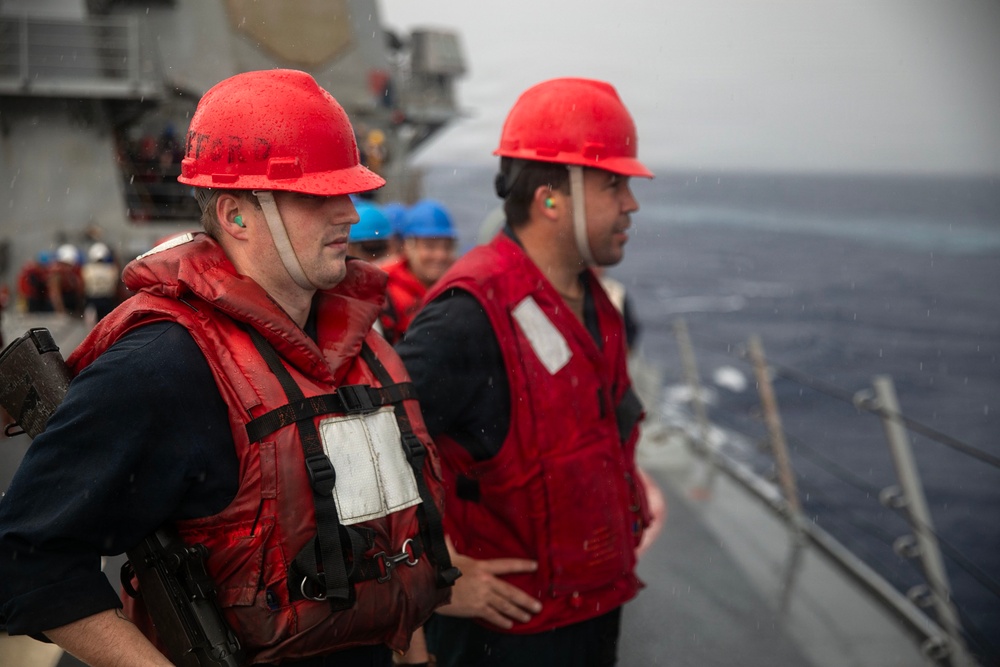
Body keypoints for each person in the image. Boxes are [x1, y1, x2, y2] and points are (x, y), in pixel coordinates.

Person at [0, 69, 456, 667]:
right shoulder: (164, 364)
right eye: (320, 196)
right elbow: (27, 552)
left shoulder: (361, 343)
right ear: (237, 216)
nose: (349, 213)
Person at [396, 77, 657, 666]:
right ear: (550, 197)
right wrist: (430, 575)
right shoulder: (468, 317)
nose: (631, 203)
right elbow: (362, 456)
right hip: (505, 641)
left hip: (590, 616)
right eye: (613, 183)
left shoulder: (594, 303)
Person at [378, 200, 458, 344]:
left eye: (447, 247)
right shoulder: (384, 292)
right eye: (430, 247)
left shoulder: (460, 287)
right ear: (408, 246)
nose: (440, 255)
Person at [81, 241, 120, 322]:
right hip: (107, 301)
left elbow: (82, 286)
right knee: (106, 324)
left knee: (91, 326)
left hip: (92, 301)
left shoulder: (87, 269)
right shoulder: (111, 269)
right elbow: (116, 286)